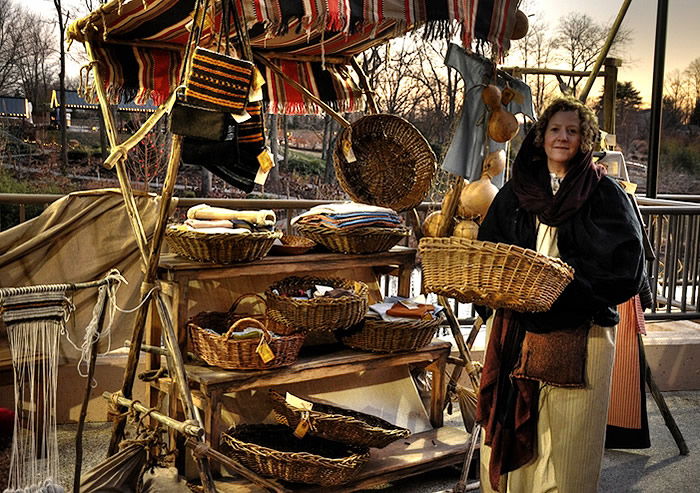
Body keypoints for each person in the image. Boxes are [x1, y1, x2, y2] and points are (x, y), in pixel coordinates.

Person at [475, 97, 646, 492]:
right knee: (515, 420)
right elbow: (489, 251)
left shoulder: (605, 194)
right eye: (555, 129)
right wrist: (494, 302)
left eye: (572, 131)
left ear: (584, 139)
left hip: (580, 330)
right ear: (541, 137)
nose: (562, 137)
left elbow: (627, 270)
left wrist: (570, 293)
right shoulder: (517, 192)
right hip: (519, 328)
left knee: (569, 439)